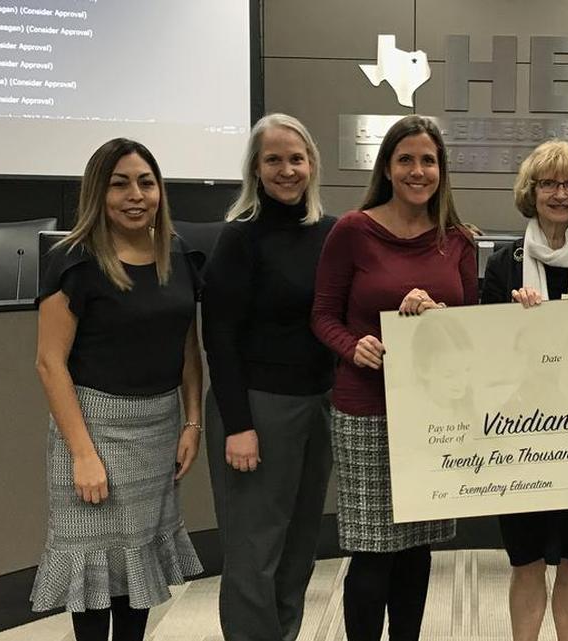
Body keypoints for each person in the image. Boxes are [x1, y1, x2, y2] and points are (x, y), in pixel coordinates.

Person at [30, 138, 204, 641]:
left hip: (158, 429)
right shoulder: (74, 261)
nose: (136, 194)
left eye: (146, 183)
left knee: (137, 567)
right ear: (97, 192)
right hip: (92, 428)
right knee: (92, 570)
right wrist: (83, 455)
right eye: (120, 183)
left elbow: (189, 349)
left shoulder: (181, 257)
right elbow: (49, 363)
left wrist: (191, 420)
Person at [311, 114, 477, 641]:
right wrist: (352, 346)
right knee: (372, 550)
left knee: (416, 546)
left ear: (440, 170)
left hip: (431, 413)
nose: (417, 170)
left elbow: (471, 329)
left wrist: (437, 316)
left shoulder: (458, 240)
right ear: (387, 166)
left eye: (428, 160)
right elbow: (322, 315)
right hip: (365, 409)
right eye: (406, 159)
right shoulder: (353, 230)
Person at [480, 139, 568, 641]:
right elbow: (484, 353)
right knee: (526, 559)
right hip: (521, 434)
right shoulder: (504, 265)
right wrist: (512, 323)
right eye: (549, 183)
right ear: (531, 191)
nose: (560, 193)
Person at [201, 113, 336, 641]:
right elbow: (220, 337)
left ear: (312, 165)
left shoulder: (332, 232)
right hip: (256, 409)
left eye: (296, 158)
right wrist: (238, 425)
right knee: (254, 551)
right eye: (274, 159)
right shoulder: (239, 239)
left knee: (299, 546)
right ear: (255, 169)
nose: (287, 170)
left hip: (317, 406)